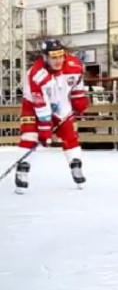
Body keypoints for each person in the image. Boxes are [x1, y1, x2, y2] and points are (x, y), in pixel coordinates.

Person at [15, 39, 89, 194]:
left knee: (70, 134)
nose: (58, 61)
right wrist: (45, 129)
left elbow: (77, 83)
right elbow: (41, 105)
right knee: (30, 135)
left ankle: (76, 165)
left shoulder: (75, 65)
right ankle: (22, 170)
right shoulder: (36, 74)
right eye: (53, 57)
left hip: (60, 102)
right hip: (33, 106)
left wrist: (79, 97)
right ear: (45, 57)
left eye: (60, 56)